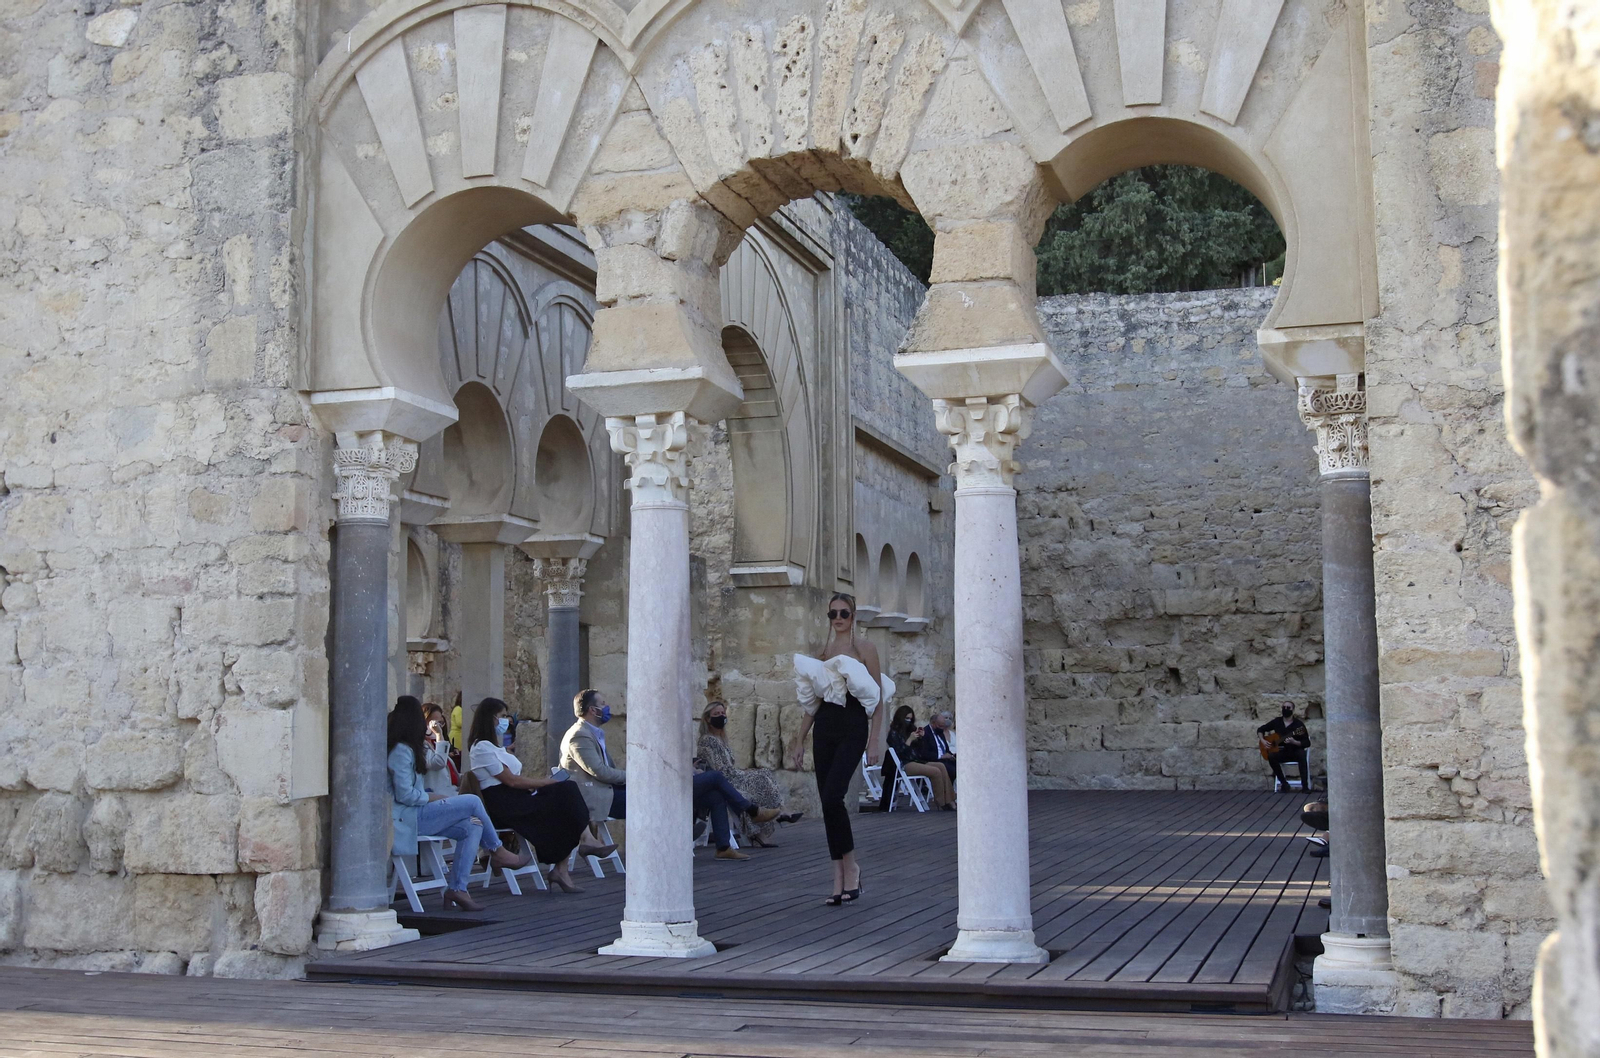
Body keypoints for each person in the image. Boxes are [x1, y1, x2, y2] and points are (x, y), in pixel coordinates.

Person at [562, 689, 782, 860]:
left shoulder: (593, 734)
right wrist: (639, 776)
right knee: (710, 780)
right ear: (593, 710)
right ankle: (686, 833)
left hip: (621, 789)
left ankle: (723, 846)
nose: (607, 707)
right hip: (602, 798)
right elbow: (599, 772)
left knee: (714, 795)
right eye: (603, 704)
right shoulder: (579, 736)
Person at [386, 696, 529, 911]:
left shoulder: (411, 749)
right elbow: (406, 795)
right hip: (406, 817)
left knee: (472, 825)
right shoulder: (400, 751)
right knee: (471, 800)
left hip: (417, 812)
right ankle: (496, 850)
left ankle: (458, 888)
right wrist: (435, 798)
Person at [788, 592, 882, 905]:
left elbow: (878, 700)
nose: (838, 619)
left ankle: (852, 867)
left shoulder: (866, 649)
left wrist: (874, 742)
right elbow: (812, 703)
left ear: (853, 616)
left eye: (843, 613)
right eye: (833, 614)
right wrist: (800, 739)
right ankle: (838, 876)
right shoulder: (823, 651)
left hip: (854, 727)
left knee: (833, 796)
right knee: (827, 803)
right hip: (825, 727)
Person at [467, 697, 608, 893]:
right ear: (491, 719)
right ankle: (579, 848)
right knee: (563, 792)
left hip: (514, 796)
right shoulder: (480, 748)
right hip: (502, 803)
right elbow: (511, 780)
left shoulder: (494, 748)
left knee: (566, 792)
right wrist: (545, 782)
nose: (506, 720)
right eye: (502, 716)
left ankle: (570, 858)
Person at [696, 701, 801, 848]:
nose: (721, 716)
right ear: (708, 718)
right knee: (759, 779)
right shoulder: (708, 740)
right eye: (716, 714)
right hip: (726, 780)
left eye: (722, 713)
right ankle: (776, 815)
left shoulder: (722, 739)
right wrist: (742, 774)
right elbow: (720, 769)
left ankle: (778, 814)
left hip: (732, 775)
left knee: (764, 773)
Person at [882, 705, 955, 811]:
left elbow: (920, 750)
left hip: (916, 760)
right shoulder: (894, 733)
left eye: (910, 719)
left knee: (941, 766)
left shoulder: (910, 729)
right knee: (935, 771)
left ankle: (950, 800)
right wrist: (910, 740)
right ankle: (941, 802)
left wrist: (921, 738)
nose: (908, 721)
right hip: (905, 763)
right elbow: (901, 752)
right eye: (906, 718)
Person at [1257, 702, 1314, 792]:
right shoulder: (1277, 721)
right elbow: (1261, 729)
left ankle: (1305, 786)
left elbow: (1307, 743)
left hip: (1294, 751)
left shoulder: (1298, 725)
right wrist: (1263, 740)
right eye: (1284, 707)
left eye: (1288, 707)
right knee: (1271, 756)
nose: (1285, 709)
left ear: (1293, 710)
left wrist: (1294, 742)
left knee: (1302, 755)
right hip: (1282, 752)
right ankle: (1284, 783)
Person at [913, 709, 957, 784]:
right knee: (951, 770)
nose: (942, 728)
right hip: (933, 760)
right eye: (940, 726)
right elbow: (924, 753)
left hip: (945, 760)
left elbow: (946, 749)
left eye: (943, 727)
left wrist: (952, 755)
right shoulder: (925, 733)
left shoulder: (940, 732)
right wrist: (941, 756)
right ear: (933, 723)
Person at [421, 702, 455, 795]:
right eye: (434, 723)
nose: (438, 727)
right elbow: (439, 762)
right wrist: (439, 735)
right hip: (434, 794)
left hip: (448, 791)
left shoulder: (435, 744)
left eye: (440, 723)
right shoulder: (420, 745)